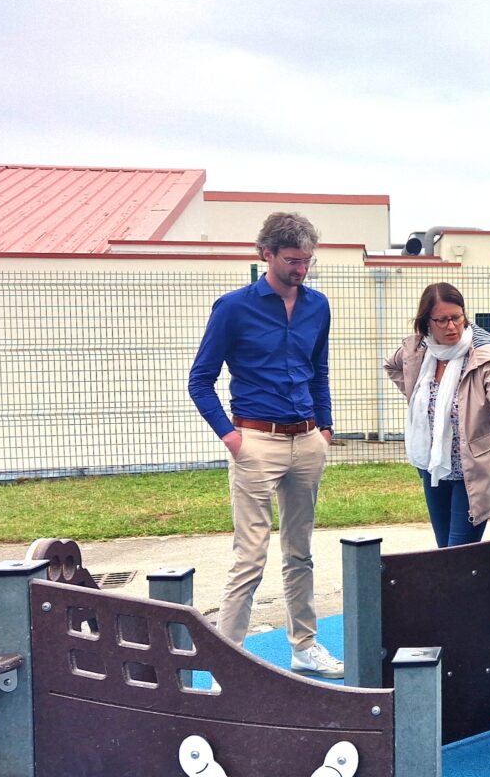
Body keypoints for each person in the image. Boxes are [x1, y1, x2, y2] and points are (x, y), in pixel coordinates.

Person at [187, 212, 342, 679]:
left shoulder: (318, 306)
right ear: (266, 254)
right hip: (255, 440)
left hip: (307, 440)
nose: (301, 270)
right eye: (293, 260)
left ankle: (305, 646)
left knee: (300, 551)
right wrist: (233, 439)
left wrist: (326, 429)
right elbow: (200, 380)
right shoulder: (233, 308)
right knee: (250, 556)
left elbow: (319, 371)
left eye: (308, 261)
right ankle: (226, 662)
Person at [384, 283, 490, 547]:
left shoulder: (483, 354)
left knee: (459, 552)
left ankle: (464, 589)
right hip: (433, 467)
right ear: (427, 322)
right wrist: (418, 398)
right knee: (444, 551)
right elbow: (392, 365)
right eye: (441, 320)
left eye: (456, 317)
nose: (451, 327)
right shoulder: (419, 350)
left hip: (472, 469)